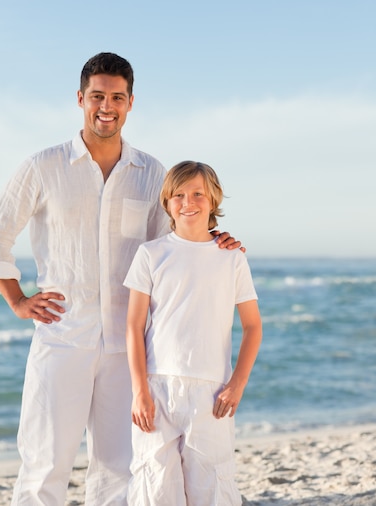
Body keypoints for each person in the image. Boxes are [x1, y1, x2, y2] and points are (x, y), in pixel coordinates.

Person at [0, 53, 244, 506]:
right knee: (44, 464)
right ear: (81, 99)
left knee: (120, 470)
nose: (107, 106)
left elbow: (175, 247)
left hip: (129, 345)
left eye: (116, 97)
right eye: (97, 96)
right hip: (62, 338)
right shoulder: (44, 166)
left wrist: (216, 237)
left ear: (130, 103)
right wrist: (18, 300)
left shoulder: (151, 173)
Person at [124, 160, 262, 506]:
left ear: (213, 199)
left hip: (212, 391)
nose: (189, 202)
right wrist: (140, 390)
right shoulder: (150, 254)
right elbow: (133, 326)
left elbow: (253, 326)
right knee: (154, 487)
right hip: (158, 388)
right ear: (167, 202)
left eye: (198, 194)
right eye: (179, 195)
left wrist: (236, 385)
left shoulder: (232, 258)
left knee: (212, 488)